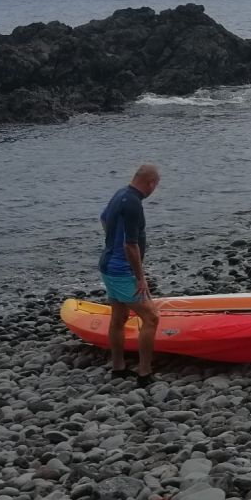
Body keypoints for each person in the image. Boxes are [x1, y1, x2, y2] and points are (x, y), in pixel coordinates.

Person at [99, 164, 160, 384]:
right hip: (121, 270)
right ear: (151, 183)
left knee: (120, 317)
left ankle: (118, 367)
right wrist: (140, 277)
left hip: (107, 265)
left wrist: (110, 243)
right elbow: (130, 246)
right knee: (151, 318)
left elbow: (104, 219)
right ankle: (145, 373)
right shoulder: (134, 203)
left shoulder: (120, 194)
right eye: (156, 185)